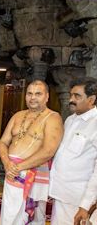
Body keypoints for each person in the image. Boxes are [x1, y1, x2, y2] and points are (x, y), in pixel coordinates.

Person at [0, 80, 64, 224]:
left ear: (47, 97)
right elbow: (3, 142)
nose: (32, 97)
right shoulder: (18, 115)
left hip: (33, 177)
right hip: (12, 174)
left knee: (31, 219)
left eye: (38, 94)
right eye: (29, 93)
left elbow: (48, 151)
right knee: (8, 217)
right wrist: (7, 163)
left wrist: (18, 168)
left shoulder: (52, 117)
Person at [49, 77, 97, 225]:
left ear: (91, 99)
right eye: (71, 95)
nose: (71, 99)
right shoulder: (70, 120)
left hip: (78, 199)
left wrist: (85, 205)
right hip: (61, 193)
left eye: (77, 96)